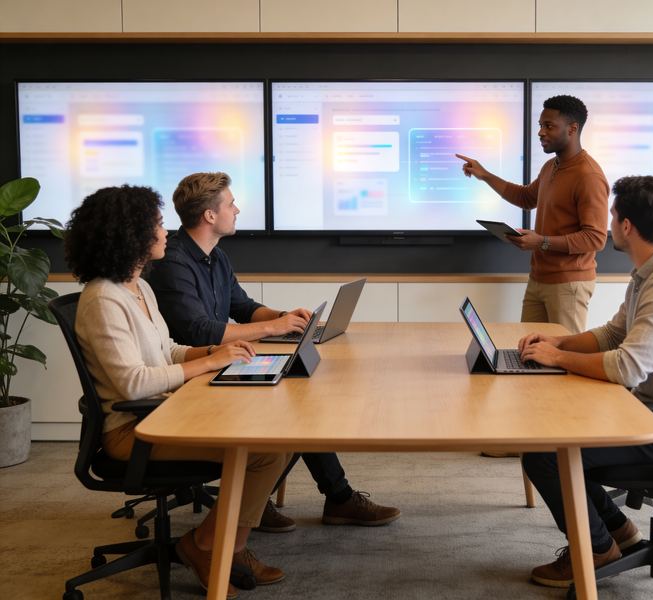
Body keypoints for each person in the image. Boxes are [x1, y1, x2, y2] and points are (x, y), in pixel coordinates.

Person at [65, 185, 294, 598]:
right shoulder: (103, 300)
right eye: (156, 224)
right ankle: (210, 547)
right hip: (133, 432)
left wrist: (218, 352)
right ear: (130, 234)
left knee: (271, 432)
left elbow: (166, 351)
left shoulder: (138, 288)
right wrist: (206, 364)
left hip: (165, 410)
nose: (165, 231)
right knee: (266, 449)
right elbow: (133, 382)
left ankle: (218, 543)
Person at [147, 171, 400, 531]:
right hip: (196, 376)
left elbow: (243, 306)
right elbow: (198, 331)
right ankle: (296, 498)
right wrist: (273, 328)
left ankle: (312, 498)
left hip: (224, 362)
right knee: (296, 410)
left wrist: (285, 317)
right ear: (209, 215)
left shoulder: (215, 257)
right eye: (231, 204)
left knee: (303, 396)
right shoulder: (173, 262)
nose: (237, 209)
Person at [516, 175, 653, 588]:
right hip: (650, 413)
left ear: (626, 226)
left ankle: (594, 550)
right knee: (558, 437)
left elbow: (628, 366)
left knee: (544, 451)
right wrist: (558, 340)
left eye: (612, 217)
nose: (609, 224)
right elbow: (613, 334)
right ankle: (621, 533)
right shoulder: (651, 271)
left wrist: (558, 358)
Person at [456, 94, 609, 334]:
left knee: (565, 356)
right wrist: (484, 174)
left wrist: (541, 241)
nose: (540, 132)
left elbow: (595, 238)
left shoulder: (588, 176)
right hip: (539, 278)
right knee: (528, 350)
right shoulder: (551, 166)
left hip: (569, 283)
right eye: (540, 125)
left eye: (549, 126)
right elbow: (526, 198)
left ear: (572, 129)